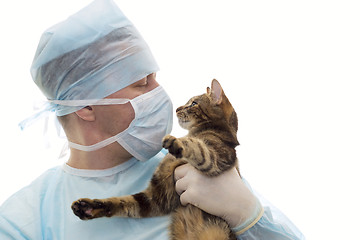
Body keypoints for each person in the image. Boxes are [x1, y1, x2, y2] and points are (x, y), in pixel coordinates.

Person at [0, 0, 305, 239]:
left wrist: (247, 214)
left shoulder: (193, 173)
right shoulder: (24, 220)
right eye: (141, 83)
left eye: (154, 77)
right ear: (87, 107)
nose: (159, 93)